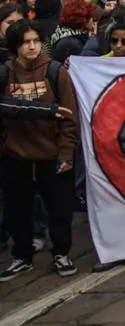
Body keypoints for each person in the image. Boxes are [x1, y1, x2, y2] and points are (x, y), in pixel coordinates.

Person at [0, 20, 80, 280]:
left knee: (59, 210)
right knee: (16, 210)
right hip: (16, 157)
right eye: (26, 42)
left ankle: (61, 253)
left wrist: (66, 154)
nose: (32, 47)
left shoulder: (56, 72)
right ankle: (22, 255)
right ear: (15, 46)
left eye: (36, 41)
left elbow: (70, 118)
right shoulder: (5, 74)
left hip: (52, 156)